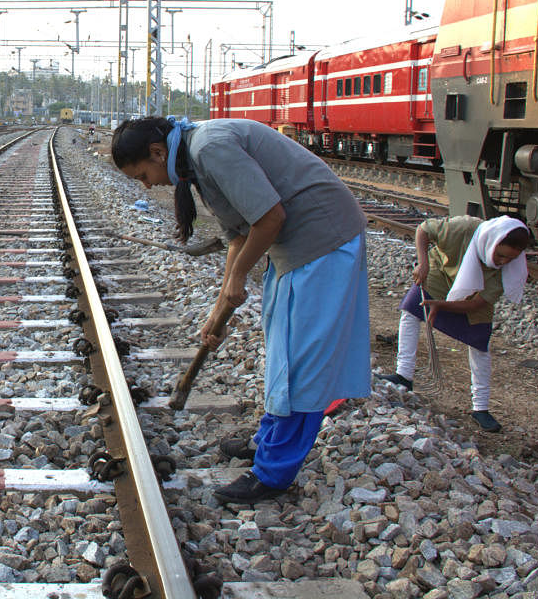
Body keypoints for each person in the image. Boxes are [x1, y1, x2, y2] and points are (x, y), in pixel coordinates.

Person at [111, 116, 371, 503]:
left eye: (143, 175)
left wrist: (240, 277)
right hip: (297, 251)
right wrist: (217, 314)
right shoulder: (196, 158)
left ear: (157, 152)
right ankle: (268, 441)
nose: (148, 185)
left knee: (301, 364)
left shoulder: (209, 147)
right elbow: (240, 235)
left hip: (323, 244)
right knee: (284, 355)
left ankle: (274, 474)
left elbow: (270, 218)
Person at [377, 215, 531, 432]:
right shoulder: (463, 227)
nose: (503, 262)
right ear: (492, 242)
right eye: (501, 255)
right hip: (441, 272)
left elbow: (477, 303)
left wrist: (441, 306)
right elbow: (423, 230)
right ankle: (404, 375)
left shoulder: (506, 272)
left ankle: (481, 407)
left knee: (479, 343)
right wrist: (423, 263)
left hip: (476, 292)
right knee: (411, 310)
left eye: (510, 259)